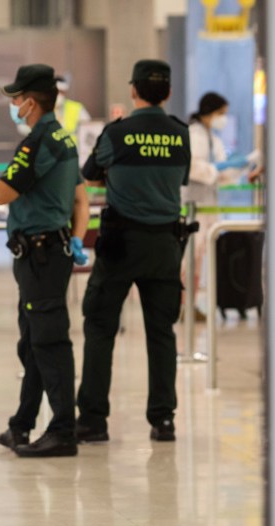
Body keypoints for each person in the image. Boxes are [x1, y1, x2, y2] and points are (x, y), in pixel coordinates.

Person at [0, 64, 90, 458]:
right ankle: (22, 425)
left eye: (16, 99)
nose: (13, 105)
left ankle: (63, 430)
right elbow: (81, 199)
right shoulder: (64, 139)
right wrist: (79, 238)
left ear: (30, 102)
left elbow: (1, 194)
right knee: (33, 341)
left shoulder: (39, 142)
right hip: (49, 251)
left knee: (48, 341)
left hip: (41, 254)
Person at [76, 59, 192, 444]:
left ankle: (93, 420)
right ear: (169, 93)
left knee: (100, 326)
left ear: (133, 90)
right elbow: (181, 177)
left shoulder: (118, 133)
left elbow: (91, 173)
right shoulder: (181, 134)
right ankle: (163, 420)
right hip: (165, 245)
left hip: (121, 245)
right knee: (162, 333)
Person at [184, 92, 248, 321]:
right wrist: (218, 167)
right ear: (209, 112)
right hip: (192, 204)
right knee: (188, 259)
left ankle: (191, 306)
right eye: (221, 113)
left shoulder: (214, 138)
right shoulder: (192, 135)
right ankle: (183, 307)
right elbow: (193, 168)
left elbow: (221, 173)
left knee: (199, 258)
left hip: (209, 206)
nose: (224, 118)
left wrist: (238, 167)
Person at [54, 75, 92, 142]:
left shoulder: (76, 108)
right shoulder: (43, 108)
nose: (59, 95)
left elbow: (88, 129)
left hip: (72, 150)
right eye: (56, 92)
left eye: (62, 92)